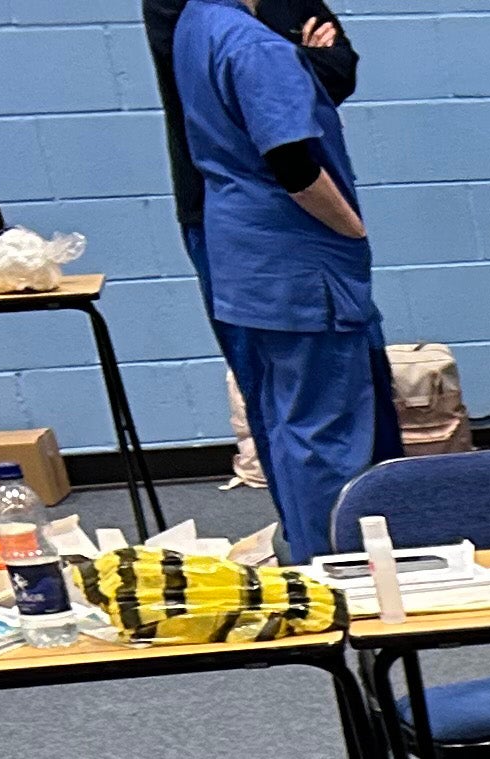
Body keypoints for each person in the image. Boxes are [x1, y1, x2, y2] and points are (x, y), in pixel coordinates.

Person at [173, 0, 399, 562]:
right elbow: (294, 165)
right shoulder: (257, 47)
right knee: (326, 432)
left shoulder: (195, 22)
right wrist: (351, 228)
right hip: (298, 259)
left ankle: (307, 553)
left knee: (281, 418)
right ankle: (342, 570)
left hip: (241, 255)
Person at [145, 0, 357, 297]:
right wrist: (354, 231)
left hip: (315, 200)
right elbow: (225, 86)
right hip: (239, 209)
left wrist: (279, 64)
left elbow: (341, 68)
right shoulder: (189, 12)